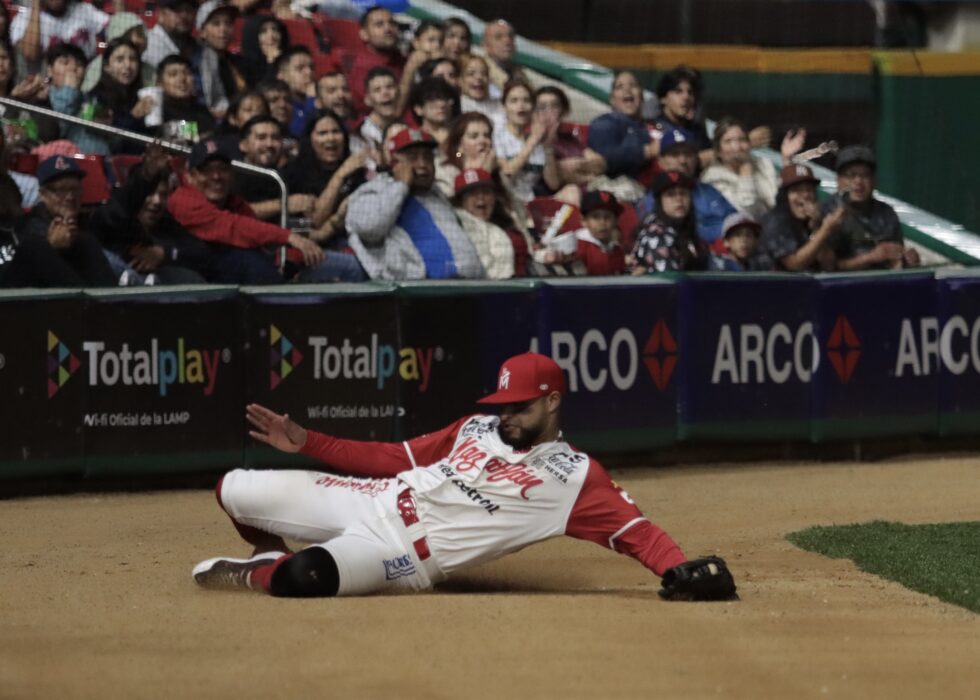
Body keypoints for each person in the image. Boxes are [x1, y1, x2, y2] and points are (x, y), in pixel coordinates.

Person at [191, 352, 738, 602]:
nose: (506, 416)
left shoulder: (575, 477)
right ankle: (267, 547)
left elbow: (636, 531)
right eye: (502, 404)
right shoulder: (476, 426)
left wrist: (681, 568)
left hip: (400, 555)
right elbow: (393, 458)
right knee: (233, 487)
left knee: (303, 577)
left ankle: (262, 571)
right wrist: (309, 443)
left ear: (552, 402)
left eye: (519, 407)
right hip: (370, 498)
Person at [166, 139, 327, 284]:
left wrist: (291, 258)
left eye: (222, 169)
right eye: (206, 171)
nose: (216, 176)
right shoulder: (182, 200)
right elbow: (232, 227)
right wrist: (288, 237)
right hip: (191, 282)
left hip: (232, 282)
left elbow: (257, 238)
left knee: (326, 266)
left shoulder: (234, 202)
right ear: (191, 176)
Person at [345, 127, 484, 280]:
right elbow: (368, 228)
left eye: (427, 157)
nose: (423, 164)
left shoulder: (437, 196)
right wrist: (401, 186)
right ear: (395, 163)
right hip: (413, 293)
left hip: (464, 289)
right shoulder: (374, 190)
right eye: (413, 158)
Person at [89, 144, 208, 284]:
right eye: (149, 193)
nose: (157, 201)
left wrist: (164, 254)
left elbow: (201, 254)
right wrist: (144, 178)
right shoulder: (116, 218)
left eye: (163, 195)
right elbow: (110, 215)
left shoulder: (166, 223)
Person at [12, 155, 116, 287]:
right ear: (43, 194)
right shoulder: (30, 227)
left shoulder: (87, 224)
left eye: (75, 189)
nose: (70, 197)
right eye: (61, 190)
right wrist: (51, 249)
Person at [820, 145, 920, 271]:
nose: (858, 182)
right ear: (839, 181)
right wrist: (870, 257)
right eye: (851, 175)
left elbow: (896, 260)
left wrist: (907, 259)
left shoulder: (886, 213)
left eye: (865, 175)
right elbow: (827, 268)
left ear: (874, 181)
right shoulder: (826, 211)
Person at [635, 127, 736, 249]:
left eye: (688, 154)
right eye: (675, 154)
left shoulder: (710, 192)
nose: (683, 161)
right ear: (661, 161)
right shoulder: (652, 199)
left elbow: (738, 223)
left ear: (696, 159)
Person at [283, 110, 369, 249]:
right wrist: (340, 175)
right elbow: (316, 221)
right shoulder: (295, 173)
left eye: (336, 132)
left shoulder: (355, 170)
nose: (331, 139)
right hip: (313, 249)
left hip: (353, 240)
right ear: (309, 139)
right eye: (322, 133)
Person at [700, 116, 805, 219]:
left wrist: (787, 160)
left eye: (742, 140)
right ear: (718, 151)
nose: (736, 147)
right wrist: (746, 173)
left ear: (749, 144)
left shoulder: (763, 164)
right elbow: (747, 214)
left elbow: (781, 200)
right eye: (728, 141)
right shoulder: (711, 178)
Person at [758, 163, 841, 272]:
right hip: (773, 286)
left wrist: (816, 228)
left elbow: (828, 265)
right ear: (785, 196)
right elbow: (794, 264)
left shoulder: (814, 220)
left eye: (809, 189)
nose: (805, 195)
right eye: (797, 190)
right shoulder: (775, 221)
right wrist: (825, 230)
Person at [586, 71, 657, 195]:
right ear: (612, 100)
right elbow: (604, 157)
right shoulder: (604, 123)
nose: (627, 91)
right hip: (615, 188)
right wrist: (646, 151)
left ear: (642, 97)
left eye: (633, 86)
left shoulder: (655, 126)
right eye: (620, 87)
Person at [494, 79, 562, 204]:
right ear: (504, 106)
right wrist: (532, 141)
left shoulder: (538, 137)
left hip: (531, 201)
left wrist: (547, 145)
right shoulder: (497, 134)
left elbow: (553, 183)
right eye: (514, 101)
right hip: (505, 201)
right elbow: (507, 171)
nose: (521, 106)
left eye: (526, 101)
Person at [235, 115, 311, 222]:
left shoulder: (290, 176)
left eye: (275, 138)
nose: (269, 144)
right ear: (244, 145)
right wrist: (282, 205)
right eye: (261, 138)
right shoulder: (232, 174)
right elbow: (233, 213)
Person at [631, 171, 708, 273]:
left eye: (683, 193)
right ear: (659, 202)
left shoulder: (686, 230)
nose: (679, 199)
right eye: (671, 195)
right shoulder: (655, 234)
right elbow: (670, 282)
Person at [534, 85, 605, 188]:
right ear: (533, 112)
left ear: (563, 111)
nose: (548, 112)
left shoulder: (569, 138)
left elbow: (600, 164)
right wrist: (589, 174)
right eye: (542, 107)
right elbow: (554, 182)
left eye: (554, 106)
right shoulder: (533, 142)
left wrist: (577, 164)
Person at [45, 43, 110, 155]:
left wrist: (106, 128)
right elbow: (57, 130)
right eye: (65, 63)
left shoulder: (91, 99)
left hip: (102, 161)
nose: (73, 68)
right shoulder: (44, 97)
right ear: (50, 70)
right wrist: (69, 91)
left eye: (79, 65)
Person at [451, 167, 515, 279]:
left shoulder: (500, 229)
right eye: (473, 193)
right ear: (460, 201)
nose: (480, 198)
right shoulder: (455, 226)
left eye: (486, 192)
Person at [87, 38, 155, 140]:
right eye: (119, 60)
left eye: (132, 59)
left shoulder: (142, 94)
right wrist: (134, 116)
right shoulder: (97, 97)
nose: (127, 65)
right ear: (107, 67)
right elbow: (111, 139)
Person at [11, 0, 108, 71]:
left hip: (86, 77)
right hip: (47, 87)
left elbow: (116, 29)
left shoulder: (83, 10)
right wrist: (36, 5)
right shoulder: (24, 19)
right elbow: (30, 54)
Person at [193, 0, 245, 121]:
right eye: (216, 24)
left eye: (228, 23)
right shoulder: (196, 61)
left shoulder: (235, 61)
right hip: (196, 124)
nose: (223, 29)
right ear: (202, 31)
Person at [348, 6, 405, 116]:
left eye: (392, 23)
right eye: (379, 25)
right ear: (364, 34)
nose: (388, 29)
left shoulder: (401, 59)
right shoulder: (362, 68)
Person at [81, 12, 155, 93]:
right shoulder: (95, 69)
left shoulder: (149, 71)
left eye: (140, 34)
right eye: (129, 34)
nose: (136, 40)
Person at [158, 54, 217, 140]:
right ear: (160, 84)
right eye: (173, 74)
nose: (182, 79)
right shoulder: (157, 112)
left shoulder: (202, 111)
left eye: (187, 73)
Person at [574, 190, 626, 276]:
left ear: (616, 221)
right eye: (595, 217)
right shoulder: (577, 248)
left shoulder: (617, 249)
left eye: (607, 217)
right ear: (583, 221)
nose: (602, 222)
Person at [274, 46, 316, 138]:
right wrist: (311, 101)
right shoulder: (280, 107)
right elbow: (302, 134)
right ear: (281, 76)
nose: (309, 72)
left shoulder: (322, 102)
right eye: (300, 68)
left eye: (312, 67)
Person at [357, 66, 400, 152]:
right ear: (367, 100)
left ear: (399, 93)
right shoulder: (361, 134)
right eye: (377, 90)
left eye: (390, 87)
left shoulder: (406, 127)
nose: (385, 93)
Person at [239, 14, 289, 88]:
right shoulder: (243, 65)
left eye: (275, 29)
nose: (271, 36)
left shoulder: (289, 58)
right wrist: (271, 63)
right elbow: (260, 93)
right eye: (263, 31)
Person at [144, 0, 197, 69]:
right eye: (177, 9)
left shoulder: (199, 48)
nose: (184, 15)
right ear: (160, 14)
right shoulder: (147, 45)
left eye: (189, 9)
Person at [481, 19, 526, 98]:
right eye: (498, 37)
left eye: (510, 36)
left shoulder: (521, 74)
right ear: (485, 45)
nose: (507, 41)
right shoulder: (481, 74)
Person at [407, 76, 456, 145]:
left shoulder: (458, 135)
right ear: (418, 109)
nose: (441, 104)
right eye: (432, 100)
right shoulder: (412, 138)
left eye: (444, 98)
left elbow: (459, 155)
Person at [458, 54, 502, 123]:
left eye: (484, 73)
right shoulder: (456, 106)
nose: (479, 77)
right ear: (460, 80)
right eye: (471, 74)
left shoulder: (500, 105)